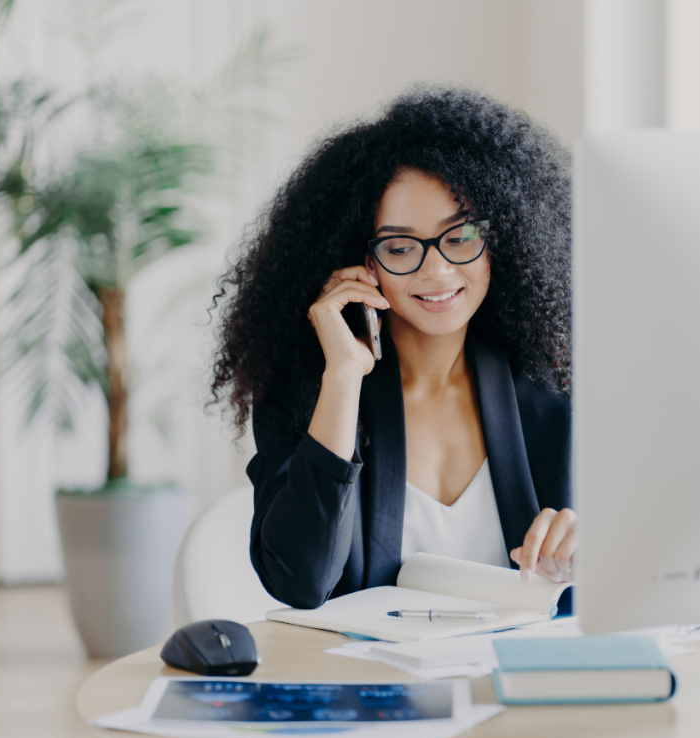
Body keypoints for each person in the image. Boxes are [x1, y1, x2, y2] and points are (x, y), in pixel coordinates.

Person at [210, 86, 574, 609]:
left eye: (461, 235)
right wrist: (343, 375)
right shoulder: (309, 393)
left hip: (517, 681)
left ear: (505, 235)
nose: (438, 270)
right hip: (371, 685)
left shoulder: (556, 386)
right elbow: (300, 581)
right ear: (362, 261)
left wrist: (584, 546)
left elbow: (624, 561)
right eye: (400, 247)